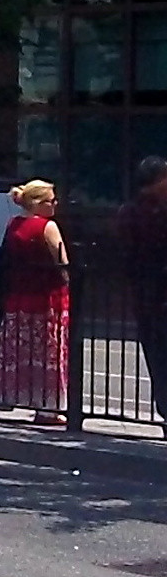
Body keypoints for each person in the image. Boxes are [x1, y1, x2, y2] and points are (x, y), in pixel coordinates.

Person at [0, 179, 70, 425]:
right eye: (51, 200)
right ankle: (48, 407)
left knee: (22, 351)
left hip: (19, 297)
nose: (55, 204)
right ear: (38, 203)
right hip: (47, 298)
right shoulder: (47, 227)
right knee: (49, 352)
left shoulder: (14, 225)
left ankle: (13, 396)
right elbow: (62, 261)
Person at [117, 156, 167, 437]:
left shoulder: (129, 212)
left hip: (146, 297)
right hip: (155, 295)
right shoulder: (147, 213)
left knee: (159, 359)